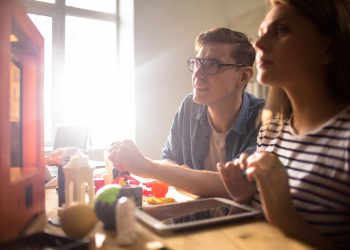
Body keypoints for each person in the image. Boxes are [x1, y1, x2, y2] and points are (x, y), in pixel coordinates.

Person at [217, 0, 350, 249]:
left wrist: (288, 220)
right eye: (261, 33)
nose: (258, 44)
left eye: (281, 31)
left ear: (328, 48)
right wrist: (244, 197)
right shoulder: (271, 131)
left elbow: (281, 223)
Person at [109, 27, 264, 199]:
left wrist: (147, 167)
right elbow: (169, 158)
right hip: (190, 221)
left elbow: (235, 183)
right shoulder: (189, 106)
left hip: (235, 225)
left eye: (212, 65)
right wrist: (183, 176)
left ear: (243, 77)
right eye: (197, 63)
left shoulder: (264, 117)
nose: (197, 74)